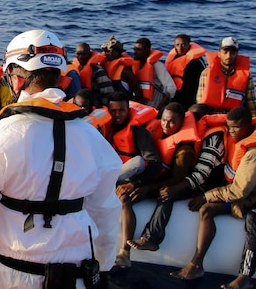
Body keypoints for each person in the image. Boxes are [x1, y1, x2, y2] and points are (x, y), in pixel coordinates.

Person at [0, 29, 121, 288]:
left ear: (16, 80)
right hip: (78, 278)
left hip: (13, 276)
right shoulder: (93, 138)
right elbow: (105, 210)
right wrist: (103, 265)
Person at [128, 104, 228, 253]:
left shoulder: (212, 141)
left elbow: (200, 176)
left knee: (167, 195)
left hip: (202, 186)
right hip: (186, 178)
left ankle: (152, 239)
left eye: (172, 122)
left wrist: (169, 189)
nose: (166, 125)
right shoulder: (167, 134)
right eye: (164, 120)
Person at [172, 106, 256, 280]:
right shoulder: (239, 138)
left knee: (251, 225)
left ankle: (243, 277)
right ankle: (196, 264)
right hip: (244, 195)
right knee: (207, 210)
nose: (231, 131)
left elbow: (239, 191)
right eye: (229, 127)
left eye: (237, 127)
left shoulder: (252, 154)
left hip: (250, 200)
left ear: (248, 125)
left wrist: (205, 196)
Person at [107, 91, 161, 268]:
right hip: (110, 172)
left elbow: (154, 163)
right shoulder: (105, 126)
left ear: (128, 110)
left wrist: (135, 184)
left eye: (121, 110)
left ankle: (124, 253)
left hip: (132, 176)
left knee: (124, 200)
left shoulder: (138, 132)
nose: (117, 115)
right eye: (113, 111)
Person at [196, 37, 256, 116]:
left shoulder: (247, 76)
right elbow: (200, 100)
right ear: (219, 54)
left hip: (235, 117)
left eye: (232, 52)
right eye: (225, 52)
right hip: (211, 114)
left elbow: (251, 104)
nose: (228, 56)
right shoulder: (206, 73)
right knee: (196, 109)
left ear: (236, 55)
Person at [132, 37, 176, 110]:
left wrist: (159, 109)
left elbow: (171, 88)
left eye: (138, 50)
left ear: (147, 50)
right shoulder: (135, 66)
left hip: (155, 106)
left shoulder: (157, 66)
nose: (135, 52)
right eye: (134, 49)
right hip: (141, 106)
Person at [166, 34, 208, 108]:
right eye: (177, 45)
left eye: (183, 45)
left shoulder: (196, 61)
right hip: (175, 93)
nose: (180, 48)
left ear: (189, 45)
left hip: (189, 96)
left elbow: (203, 80)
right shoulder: (174, 57)